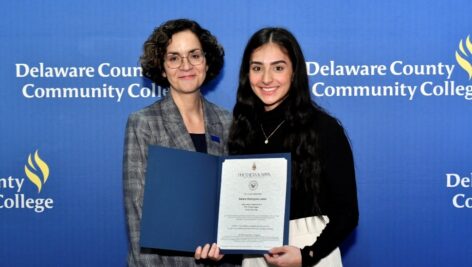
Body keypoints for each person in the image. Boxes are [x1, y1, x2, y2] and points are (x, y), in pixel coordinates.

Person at [196, 28, 358, 267]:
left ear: (295, 72)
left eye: (278, 67)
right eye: (257, 67)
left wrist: (307, 255)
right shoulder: (241, 130)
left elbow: (347, 213)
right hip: (253, 258)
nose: (266, 79)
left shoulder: (324, 128)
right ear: (246, 73)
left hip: (310, 254)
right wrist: (224, 249)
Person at [123, 19, 239, 266]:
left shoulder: (227, 120)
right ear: (162, 68)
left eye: (194, 55)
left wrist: (230, 247)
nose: (186, 65)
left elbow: (235, 201)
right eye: (174, 58)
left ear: (206, 61)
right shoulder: (144, 123)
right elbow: (138, 216)